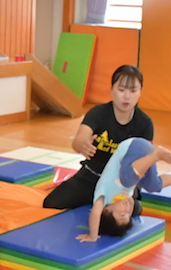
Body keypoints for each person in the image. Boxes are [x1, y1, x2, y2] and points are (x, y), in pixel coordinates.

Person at [43, 65, 153, 210]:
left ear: (140, 93)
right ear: (112, 90)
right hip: (90, 177)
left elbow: (147, 161)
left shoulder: (144, 123)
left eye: (133, 91)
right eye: (121, 90)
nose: (127, 96)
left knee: (132, 211)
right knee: (51, 203)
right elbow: (78, 141)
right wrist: (83, 145)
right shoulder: (98, 113)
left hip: (120, 183)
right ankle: (96, 200)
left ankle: (102, 202)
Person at [76, 137, 171, 242]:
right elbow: (131, 202)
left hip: (132, 147)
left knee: (127, 180)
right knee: (152, 186)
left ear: (106, 211)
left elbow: (95, 214)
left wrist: (93, 236)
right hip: (145, 153)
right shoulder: (125, 197)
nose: (127, 210)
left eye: (122, 215)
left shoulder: (103, 197)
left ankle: (156, 156)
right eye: (128, 214)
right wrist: (128, 209)